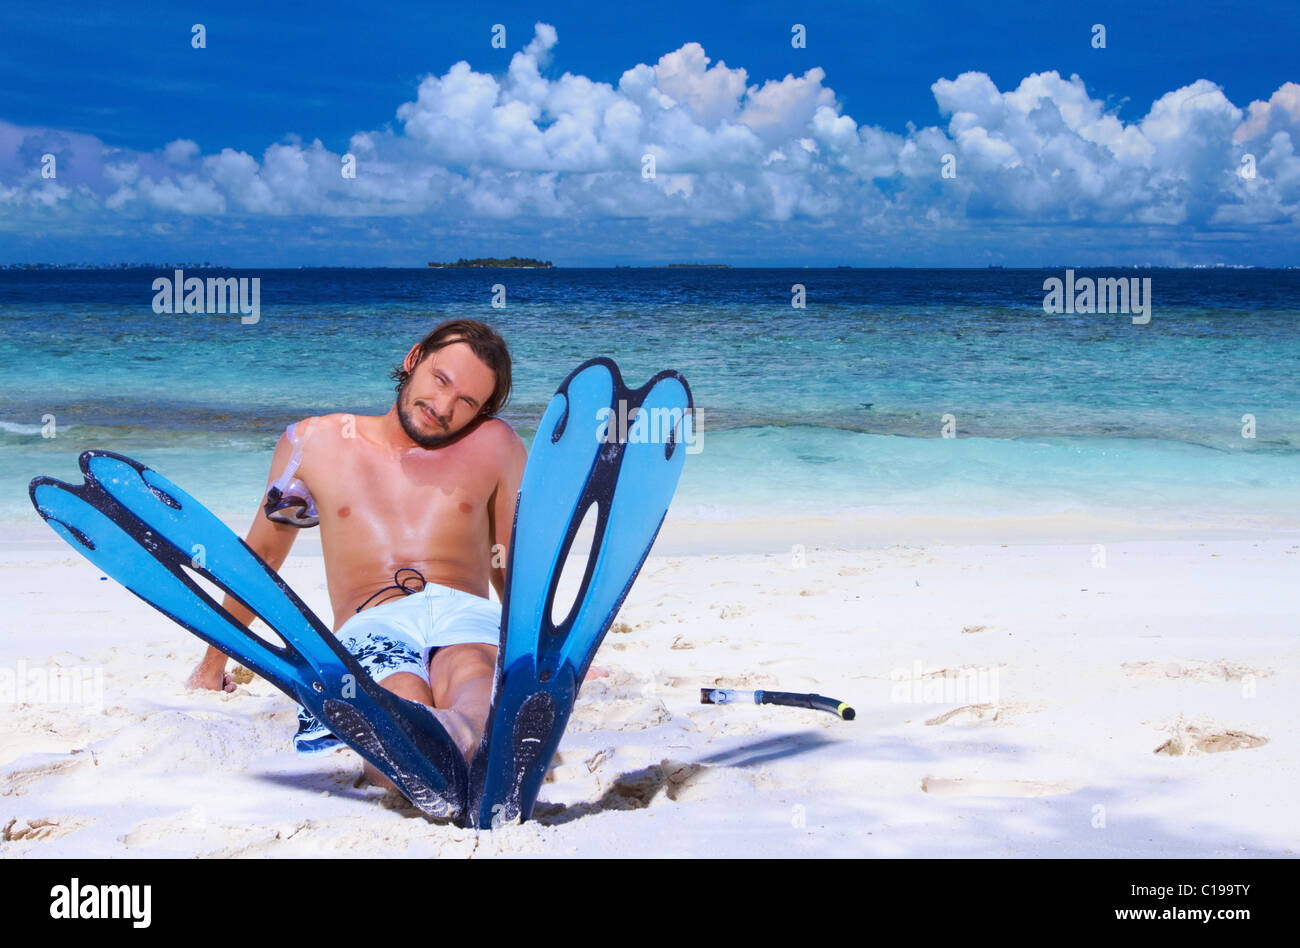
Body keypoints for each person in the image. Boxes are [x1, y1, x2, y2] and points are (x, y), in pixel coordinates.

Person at [186, 318, 527, 795]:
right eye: (440, 380)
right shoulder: (313, 444)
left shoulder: (496, 445)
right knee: (396, 698)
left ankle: (475, 743)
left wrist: (542, 649)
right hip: (373, 622)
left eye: (467, 402)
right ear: (413, 360)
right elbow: (262, 556)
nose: (444, 407)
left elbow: (507, 563)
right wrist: (212, 664)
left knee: (474, 676)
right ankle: (430, 758)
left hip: (465, 614)